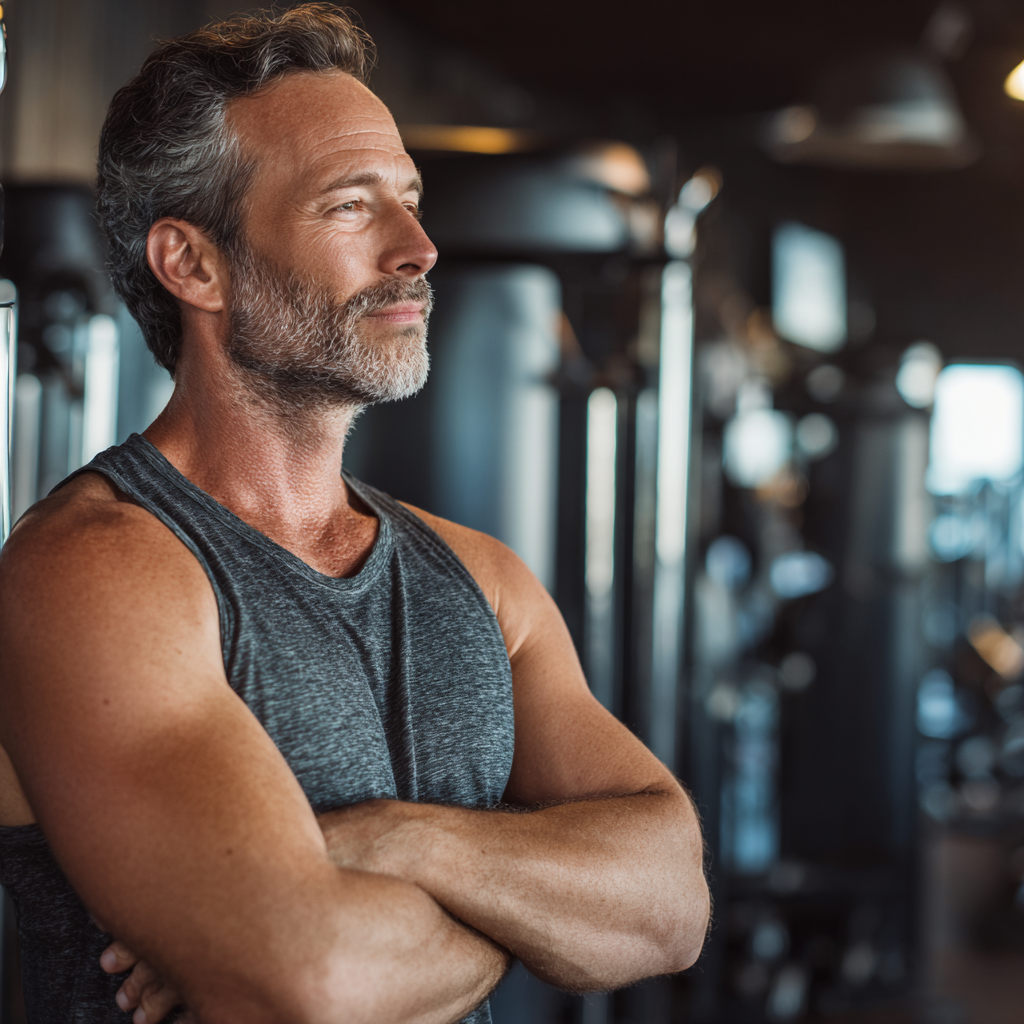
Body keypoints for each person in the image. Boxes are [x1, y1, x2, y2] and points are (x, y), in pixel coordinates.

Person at [0, 6, 710, 1022]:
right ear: (194, 264)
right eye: (349, 205)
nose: (418, 248)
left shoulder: (483, 580)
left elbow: (669, 907)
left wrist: (394, 841)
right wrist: (536, 915)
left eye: (410, 201)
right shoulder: (99, 573)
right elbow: (313, 981)